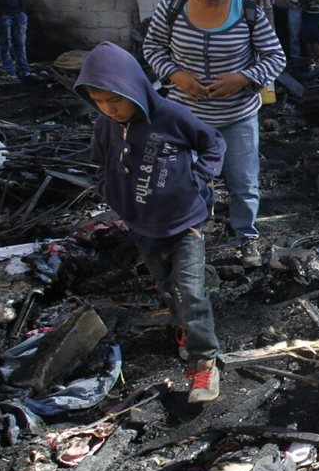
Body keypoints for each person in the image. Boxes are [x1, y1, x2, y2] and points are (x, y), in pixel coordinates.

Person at [74, 42, 226, 403]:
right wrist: (111, 192)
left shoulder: (171, 116)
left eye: (116, 100)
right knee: (169, 288)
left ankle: (206, 362)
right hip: (143, 226)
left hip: (184, 223)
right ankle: (184, 327)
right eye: (99, 101)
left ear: (135, 89)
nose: (110, 108)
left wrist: (198, 177)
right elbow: (100, 164)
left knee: (191, 291)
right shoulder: (106, 127)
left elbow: (213, 143)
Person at [142, 0, 286, 269]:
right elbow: (153, 48)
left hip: (237, 116)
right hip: (185, 117)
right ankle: (193, 239)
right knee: (188, 182)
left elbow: (275, 57)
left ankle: (245, 238)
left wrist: (243, 78)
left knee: (243, 183)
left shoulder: (247, 11)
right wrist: (177, 75)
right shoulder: (171, 7)